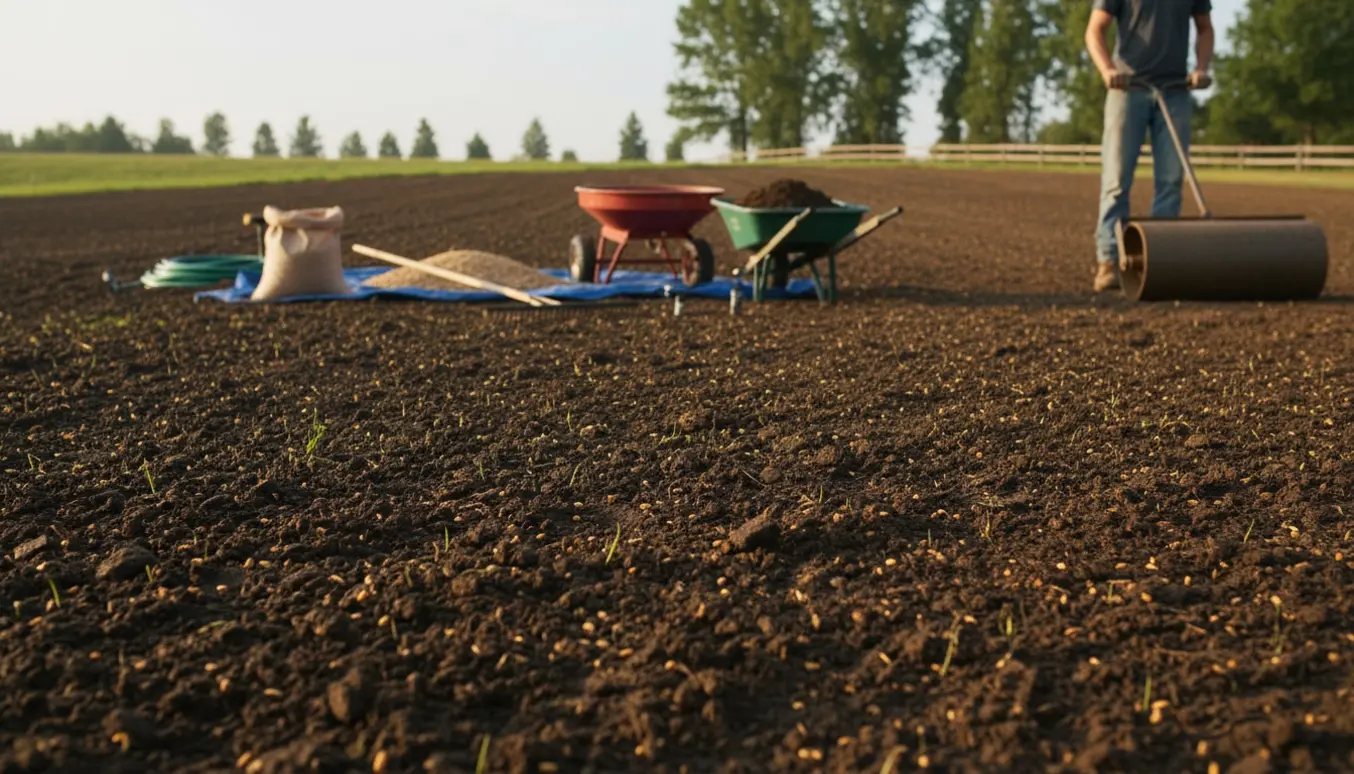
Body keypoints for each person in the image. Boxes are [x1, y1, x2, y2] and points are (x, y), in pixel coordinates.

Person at [1086, 0, 1214, 293]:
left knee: (1170, 180)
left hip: (1175, 90)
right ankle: (1109, 259)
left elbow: (1204, 28)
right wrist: (1107, 69)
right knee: (1116, 180)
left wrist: (1202, 68)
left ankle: (1160, 259)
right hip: (1127, 88)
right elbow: (1095, 29)